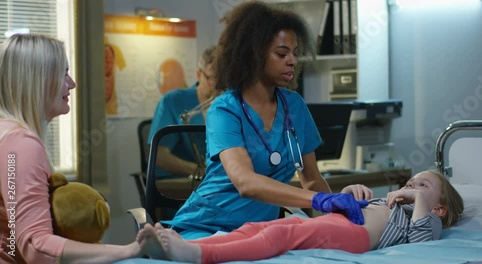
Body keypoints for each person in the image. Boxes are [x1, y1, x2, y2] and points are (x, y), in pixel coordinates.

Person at [164, 0, 373, 240]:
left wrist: (339, 213)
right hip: (206, 227)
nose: (293, 61)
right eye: (282, 53)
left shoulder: (294, 105)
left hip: (258, 232)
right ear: (253, 54)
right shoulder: (224, 109)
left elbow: (312, 179)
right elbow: (246, 182)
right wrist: (320, 201)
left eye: (295, 53)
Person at [0, 34, 140, 263]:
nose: (72, 84)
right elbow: (36, 246)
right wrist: (128, 250)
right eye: (64, 74)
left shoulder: (7, 135)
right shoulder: (21, 145)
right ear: (39, 79)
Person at [137, 170, 464, 263]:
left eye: (422, 185)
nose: (411, 186)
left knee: (280, 238)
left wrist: (417, 197)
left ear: (439, 208)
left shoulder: (426, 218)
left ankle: (199, 253)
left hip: (356, 237)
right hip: (338, 221)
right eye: (411, 182)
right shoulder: (388, 202)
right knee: (260, 226)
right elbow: (342, 205)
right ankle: (174, 247)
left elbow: (424, 247)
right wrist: (350, 195)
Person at [148, 46, 217, 180]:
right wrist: (200, 171)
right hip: (182, 182)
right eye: (213, 79)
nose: (219, 86)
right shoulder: (174, 101)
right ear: (198, 75)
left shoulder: (230, 104)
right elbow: (159, 156)